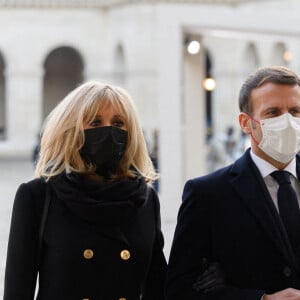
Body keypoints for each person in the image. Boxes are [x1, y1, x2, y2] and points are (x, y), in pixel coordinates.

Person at [4, 81, 167, 300]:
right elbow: (17, 291)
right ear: (72, 130)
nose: (109, 130)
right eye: (95, 122)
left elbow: (158, 288)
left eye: (118, 123)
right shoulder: (38, 196)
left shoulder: (146, 200)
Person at [166, 66, 300, 300]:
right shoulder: (207, 194)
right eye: (273, 112)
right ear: (246, 123)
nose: (287, 121)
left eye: (295, 111)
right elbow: (179, 289)